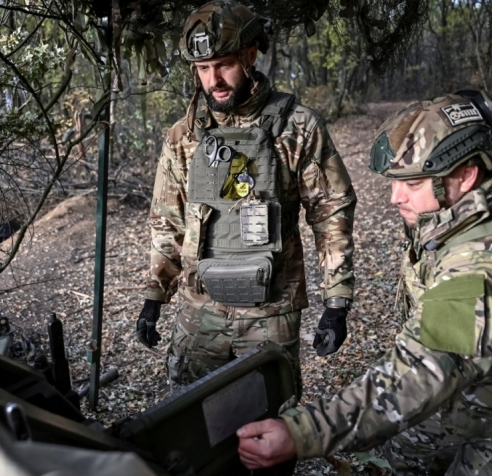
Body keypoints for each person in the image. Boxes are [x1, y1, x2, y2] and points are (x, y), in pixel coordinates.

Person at [236, 91, 492, 475]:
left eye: (413, 184)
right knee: (401, 449)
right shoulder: (484, 200)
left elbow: (422, 370)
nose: (394, 197)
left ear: (465, 176)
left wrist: (301, 433)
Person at [135, 0, 357, 392]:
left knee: (271, 420)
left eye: (224, 65)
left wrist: (336, 302)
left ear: (250, 56)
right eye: (203, 69)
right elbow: (167, 221)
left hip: (271, 309)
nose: (213, 79)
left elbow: (331, 212)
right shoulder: (183, 136)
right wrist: (155, 294)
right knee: (192, 418)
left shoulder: (297, 127)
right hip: (200, 308)